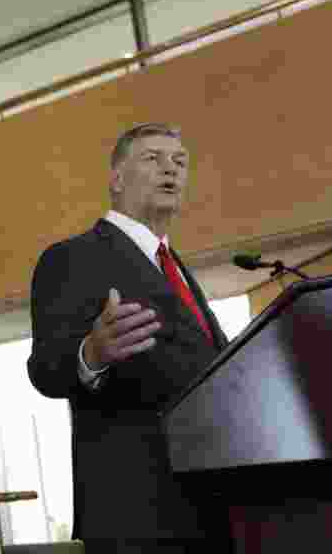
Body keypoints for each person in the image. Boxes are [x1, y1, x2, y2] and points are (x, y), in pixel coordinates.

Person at [26, 123, 230, 553]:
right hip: (136, 511)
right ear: (117, 179)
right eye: (152, 158)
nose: (170, 169)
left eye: (179, 161)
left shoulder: (173, 265)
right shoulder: (74, 256)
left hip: (208, 500)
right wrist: (91, 353)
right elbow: (45, 369)